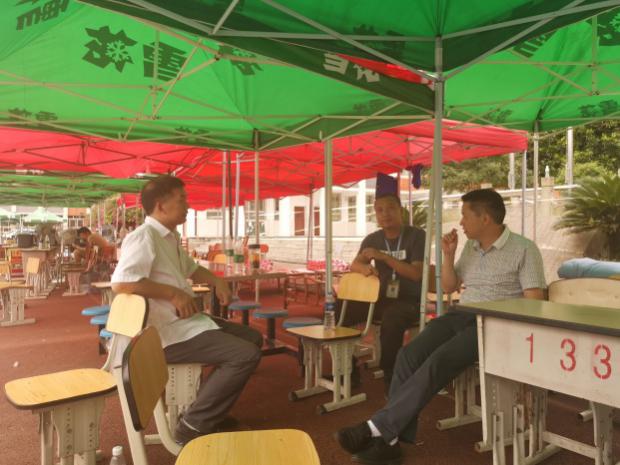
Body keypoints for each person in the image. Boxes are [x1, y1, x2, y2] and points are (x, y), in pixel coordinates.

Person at [336, 188, 546, 465]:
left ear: (484, 218)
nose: (461, 222)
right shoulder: (471, 247)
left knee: (438, 361)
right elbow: (449, 286)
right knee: (408, 355)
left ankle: (378, 430)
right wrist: (448, 255)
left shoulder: (524, 249)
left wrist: (501, 316)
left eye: (465, 215)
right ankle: (390, 438)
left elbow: (535, 302)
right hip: (461, 314)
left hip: (495, 323)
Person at [111, 175, 263, 445]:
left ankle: (206, 409)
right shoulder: (143, 237)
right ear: (161, 205)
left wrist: (217, 281)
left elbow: (192, 268)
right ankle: (194, 424)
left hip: (183, 323)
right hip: (162, 335)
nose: (188, 206)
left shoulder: (168, 237)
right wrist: (174, 293)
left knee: (253, 338)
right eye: (182, 200)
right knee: (244, 354)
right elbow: (122, 283)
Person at [339, 173, 425, 388]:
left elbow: (416, 274)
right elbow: (354, 265)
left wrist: (384, 257)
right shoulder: (372, 239)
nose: (385, 214)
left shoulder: (416, 236)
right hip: (379, 298)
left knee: (392, 318)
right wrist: (365, 268)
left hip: (410, 301)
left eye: (390, 208)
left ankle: (391, 373)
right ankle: (347, 368)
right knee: (340, 309)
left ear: (400, 210)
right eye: (379, 210)